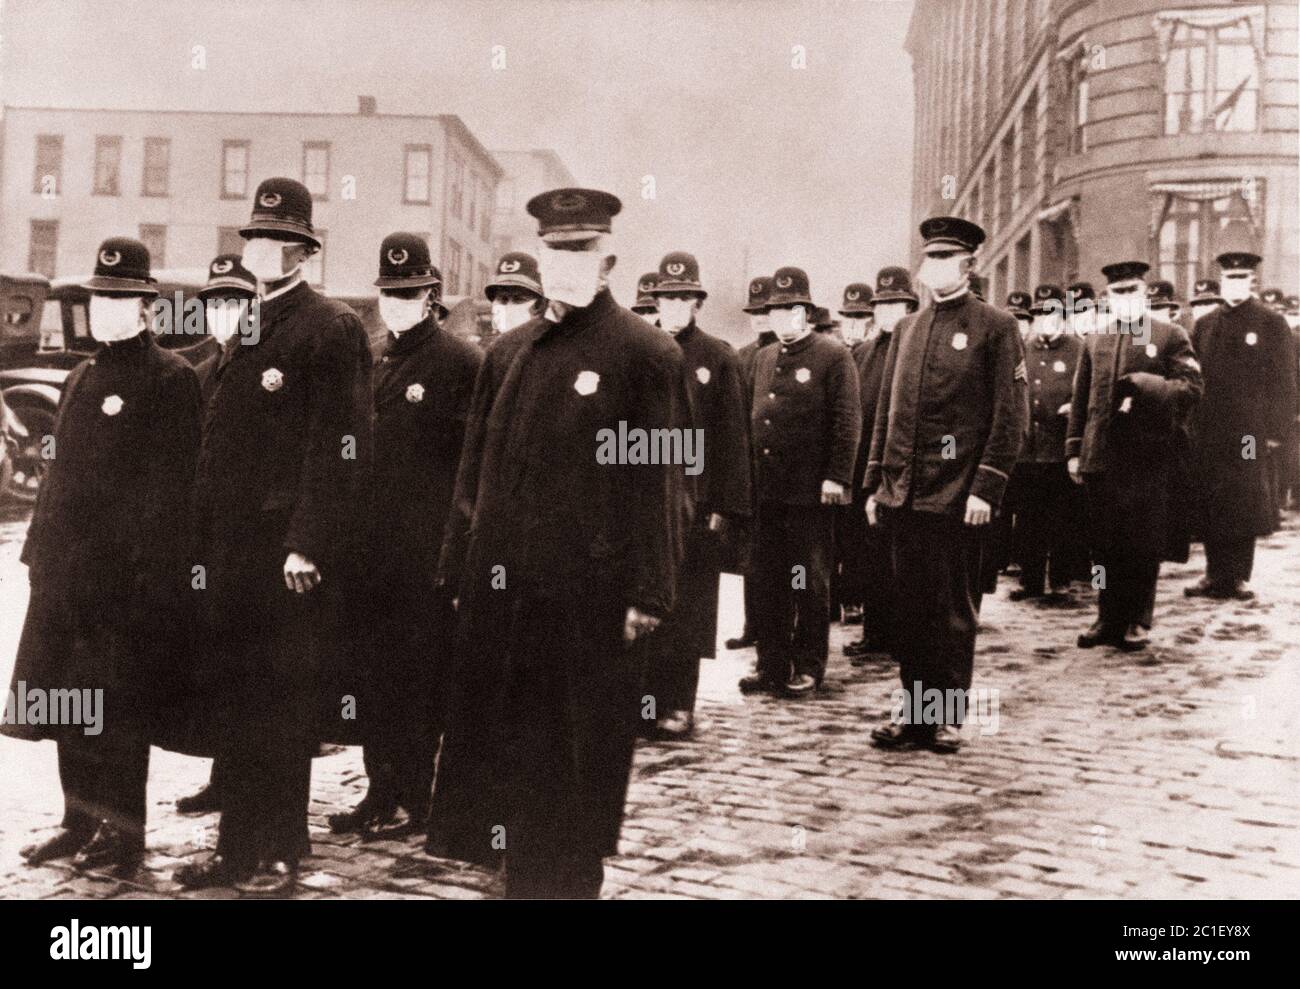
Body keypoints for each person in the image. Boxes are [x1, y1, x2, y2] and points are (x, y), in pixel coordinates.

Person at [425, 187, 693, 899]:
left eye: (579, 250)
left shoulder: (644, 353)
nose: (565, 262)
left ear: (606, 257)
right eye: (554, 249)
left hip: (588, 602)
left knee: (575, 768)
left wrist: (651, 589)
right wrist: (457, 562)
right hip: (501, 595)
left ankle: (567, 886)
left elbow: (663, 480)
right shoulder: (508, 353)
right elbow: (471, 472)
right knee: (504, 755)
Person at [176, 177, 373, 896]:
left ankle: (282, 849)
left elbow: (343, 443)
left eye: (278, 240)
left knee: (284, 702)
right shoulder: (246, 328)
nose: (264, 250)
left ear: (302, 249)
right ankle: (235, 850)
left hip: (285, 558)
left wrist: (309, 541)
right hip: (229, 554)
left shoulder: (329, 327)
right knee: (236, 699)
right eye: (255, 239)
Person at [4, 237, 200, 876]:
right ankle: (76, 821)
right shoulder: (84, 375)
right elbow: (56, 474)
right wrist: (37, 553)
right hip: (63, 576)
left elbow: (172, 490)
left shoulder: (169, 379)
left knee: (116, 711)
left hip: (122, 584)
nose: (108, 308)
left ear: (146, 307)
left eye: (121, 299)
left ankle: (123, 835)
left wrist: (147, 576)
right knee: (64, 701)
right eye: (100, 298)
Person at [326, 233, 482, 838]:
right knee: (371, 675)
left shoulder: (460, 363)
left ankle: (414, 798)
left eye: (408, 293)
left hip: (423, 554)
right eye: (388, 294)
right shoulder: (369, 354)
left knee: (414, 679)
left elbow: (470, 469)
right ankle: (379, 790)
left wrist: (456, 551)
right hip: (369, 552)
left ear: (431, 296)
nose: (396, 304)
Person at [864, 216, 1027, 754]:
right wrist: (874, 483)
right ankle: (913, 713)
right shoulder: (909, 329)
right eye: (927, 258)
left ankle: (946, 716)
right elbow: (887, 413)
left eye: (943, 258)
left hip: (956, 496)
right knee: (909, 607)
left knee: (951, 611)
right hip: (904, 493)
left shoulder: (995, 327)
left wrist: (986, 486)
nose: (931, 267)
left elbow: (1011, 417)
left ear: (969, 264)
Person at [642, 251, 751, 738]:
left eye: (683, 298)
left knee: (689, 607)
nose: (673, 306)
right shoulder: (639, 350)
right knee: (645, 604)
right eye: (666, 298)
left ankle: (679, 703)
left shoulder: (716, 357)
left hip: (696, 503)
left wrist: (726, 507)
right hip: (644, 502)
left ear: (697, 302)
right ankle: (644, 705)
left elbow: (731, 437)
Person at [1067, 260, 1202, 651]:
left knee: (1142, 543)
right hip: (1101, 457)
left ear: (1143, 293)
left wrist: (1151, 385)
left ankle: (1137, 620)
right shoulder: (1096, 339)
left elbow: (1192, 388)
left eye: (1131, 291)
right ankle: (1107, 617)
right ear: (1108, 297)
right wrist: (1075, 449)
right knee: (1103, 544)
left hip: (1147, 458)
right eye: (1116, 292)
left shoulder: (1169, 335)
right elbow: (1081, 399)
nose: (1124, 298)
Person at [742, 266, 860, 698]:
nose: (781, 318)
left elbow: (847, 422)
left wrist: (837, 477)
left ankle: (809, 666)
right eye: (774, 310)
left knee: (808, 580)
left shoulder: (832, 355)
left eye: (790, 310)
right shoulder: (764, 357)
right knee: (767, 579)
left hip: (810, 494)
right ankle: (769, 663)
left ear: (806, 312)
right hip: (768, 493)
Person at [174, 254, 259, 817]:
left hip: (252, 539)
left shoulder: (267, 370)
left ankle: (246, 786)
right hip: (204, 539)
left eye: (235, 303)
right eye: (214, 304)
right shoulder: (198, 374)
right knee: (212, 662)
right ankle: (222, 776)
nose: (223, 314)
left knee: (250, 667)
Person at [1185, 251, 1296, 600]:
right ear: (1221, 281)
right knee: (1213, 495)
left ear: (1251, 281)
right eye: (1229, 278)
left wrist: (1277, 431)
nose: (1234, 284)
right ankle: (1214, 573)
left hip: (1250, 430)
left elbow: (1284, 381)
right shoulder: (1205, 325)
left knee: (1243, 493)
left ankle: (1237, 575)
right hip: (1211, 428)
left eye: (1241, 278)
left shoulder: (1270, 322)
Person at [844, 267, 917, 663]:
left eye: (896, 304)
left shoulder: (917, 347)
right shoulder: (862, 353)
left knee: (901, 558)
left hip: (904, 469)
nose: (888, 312)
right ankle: (875, 632)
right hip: (865, 468)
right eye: (882, 305)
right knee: (867, 555)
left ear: (909, 306)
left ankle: (903, 636)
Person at [1008, 284, 1084, 602]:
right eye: (1040, 315)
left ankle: (1061, 582)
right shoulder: (1024, 348)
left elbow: (1086, 390)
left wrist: (1072, 408)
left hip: (1059, 447)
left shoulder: (1078, 348)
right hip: (1029, 450)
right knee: (1028, 520)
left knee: (1062, 519)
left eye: (1053, 314)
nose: (1046, 321)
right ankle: (1031, 580)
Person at [724, 275, 776, 651]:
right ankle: (752, 624)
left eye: (765, 311)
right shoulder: (742, 357)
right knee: (751, 555)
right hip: (749, 468)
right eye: (754, 312)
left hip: (781, 474)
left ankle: (778, 631)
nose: (759, 319)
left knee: (781, 562)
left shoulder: (790, 353)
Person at [835, 281, 876, 630]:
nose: (853, 326)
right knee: (835, 535)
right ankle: (835, 599)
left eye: (860, 318)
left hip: (865, 461)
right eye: (848, 318)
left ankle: (854, 600)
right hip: (836, 463)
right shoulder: (834, 353)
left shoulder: (875, 354)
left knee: (860, 539)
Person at [486, 251, 545, 334]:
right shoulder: (481, 345)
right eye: (503, 299)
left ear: (539, 306)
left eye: (518, 299)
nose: (508, 307)